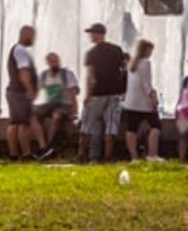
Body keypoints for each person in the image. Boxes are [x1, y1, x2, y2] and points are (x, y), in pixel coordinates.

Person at [83, 23, 130, 161]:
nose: (91, 36)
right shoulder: (116, 50)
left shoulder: (91, 53)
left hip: (98, 93)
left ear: (100, 34)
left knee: (90, 124)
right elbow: (124, 70)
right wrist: (124, 89)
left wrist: (87, 95)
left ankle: (88, 155)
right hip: (115, 93)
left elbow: (90, 77)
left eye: (92, 33)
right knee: (111, 125)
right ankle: (107, 156)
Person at [6, 24, 46, 161]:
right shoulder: (21, 51)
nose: (34, 39)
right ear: (26, 34)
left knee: (14, 123)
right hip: (20, 92)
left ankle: (13, 154)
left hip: (13, 91)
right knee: (23, 123)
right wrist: (30, 91)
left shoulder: (16, 50)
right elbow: (24, 73)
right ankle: (26, 154)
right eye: (33, 36)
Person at [120, 38, 161, 161]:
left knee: (131, 129)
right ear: (146, 50)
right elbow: (146, 84)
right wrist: (153, 100)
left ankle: (134, 157)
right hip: (143, 103)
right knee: (156, 126)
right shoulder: (145, 63)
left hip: (130, 102)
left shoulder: (132, 64)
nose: (151, 53)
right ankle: (153, 155)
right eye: (150, 50)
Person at [37, 51, 80, 154]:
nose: (54, 63)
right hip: (50, 104)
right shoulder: (44, 75)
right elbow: (35, 91)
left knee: (56, 117)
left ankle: (48, 145)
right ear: (47, 62)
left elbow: (72, 93)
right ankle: (42, 144)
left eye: (56, 61)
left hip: (64, 104)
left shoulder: (67, 73)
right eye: (51, 61)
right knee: (31, 115)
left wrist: (75, 111)